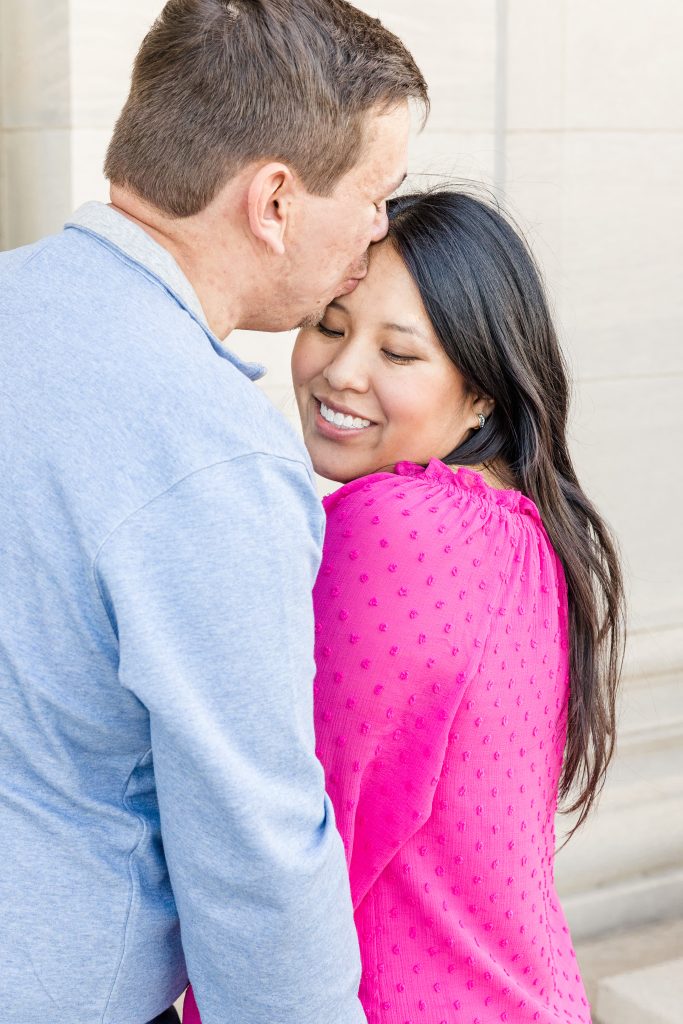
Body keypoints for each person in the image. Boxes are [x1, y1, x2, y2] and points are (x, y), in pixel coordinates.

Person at [0, 1, 428, 1022]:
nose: (378, 230)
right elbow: (255, 845)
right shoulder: (214, 452)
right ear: (274, 201)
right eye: (373, 195)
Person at [184, 189, 624, 1024]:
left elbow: (300, 845)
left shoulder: (400, 527)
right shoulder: (520, 532)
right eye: (331, 325)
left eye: (400, 353)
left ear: (481, 395)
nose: (342, 373)